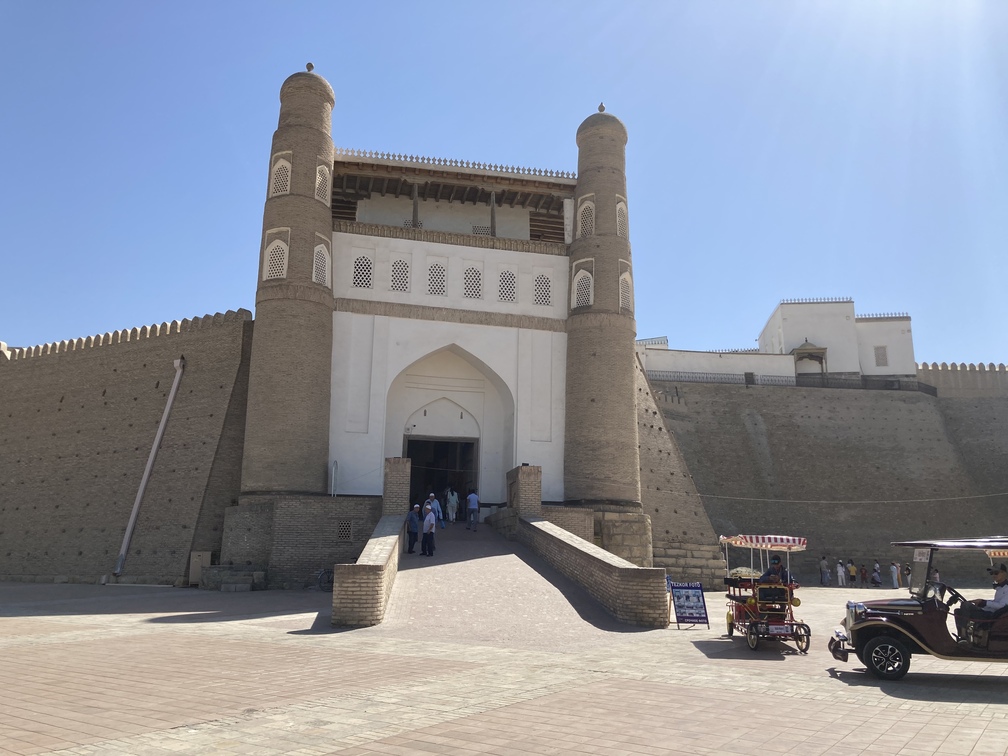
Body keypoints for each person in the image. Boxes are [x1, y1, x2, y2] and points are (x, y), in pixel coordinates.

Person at [955, 563, 1008, 643]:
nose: (993, 575)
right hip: (993, 613)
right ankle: (965, 636)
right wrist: (982, 603)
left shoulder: (1006, 588)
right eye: (991, 573)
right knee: (960, 609)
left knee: (965, 605)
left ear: (1004, 573)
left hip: (994, 616)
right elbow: (996, 602)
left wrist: (984, 603)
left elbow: (1002, 606)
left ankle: (963, 637)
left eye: (996, 573)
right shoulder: (1000, 588)